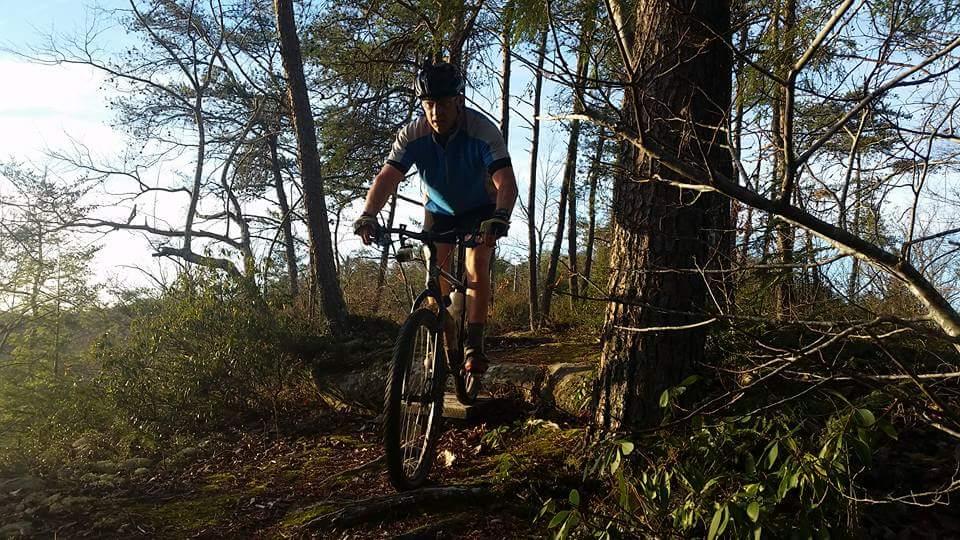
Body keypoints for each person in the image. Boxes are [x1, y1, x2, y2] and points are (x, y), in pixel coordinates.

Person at [353, 62, 518, 374]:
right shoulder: (413, 135)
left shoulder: (482, 131)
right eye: (428, 104)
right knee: (434, 276)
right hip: (439, 211)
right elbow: (387, 178)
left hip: (481, 209)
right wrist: (368, 214)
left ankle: (474, 344)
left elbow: (506, 181)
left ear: (458, 101)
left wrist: (500, 217)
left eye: (442, 103)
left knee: (475, 267)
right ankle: (443, 337)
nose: (435, 111)